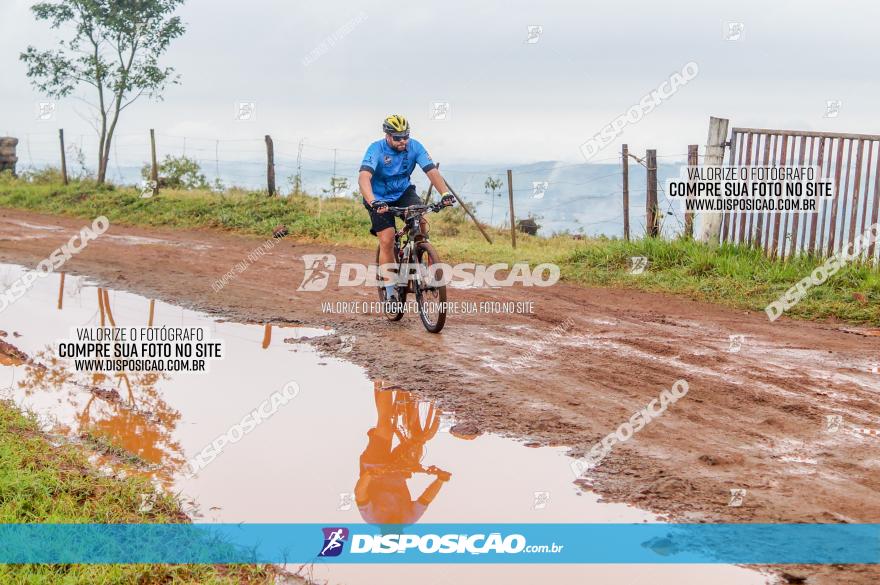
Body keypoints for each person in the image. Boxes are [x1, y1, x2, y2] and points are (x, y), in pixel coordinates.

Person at [359, 114, 455, 301]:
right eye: (397, 137)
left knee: (422, 222)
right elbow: (364, 177)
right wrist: (372, 201)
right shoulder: (376, 149)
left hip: (403, 193)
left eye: (406, 136)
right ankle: (390, 294)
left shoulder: (415, 146)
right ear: (387, 136)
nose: (403, 141)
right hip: (378, 198)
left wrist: (445, 193)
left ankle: (423, 261)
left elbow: (431, 170)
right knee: (386, 239)